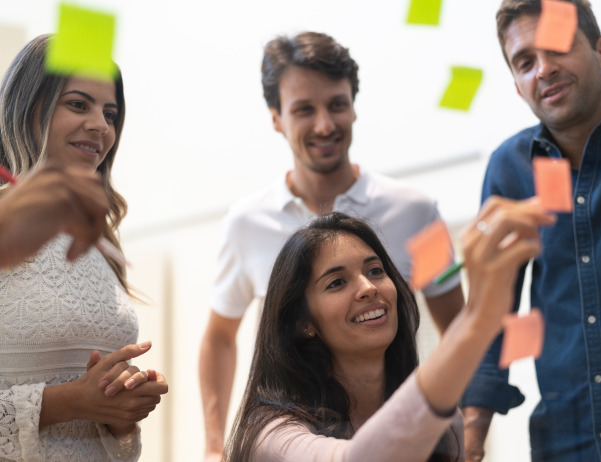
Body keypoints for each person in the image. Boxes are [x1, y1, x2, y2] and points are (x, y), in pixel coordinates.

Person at [199, 31, 465, 460]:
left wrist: (465, 424)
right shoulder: (247, 223)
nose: (324, 124)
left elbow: (459, 329)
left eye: (337, 104)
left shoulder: (416, 212)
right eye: (304, 109)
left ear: (354, 108)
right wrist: (214, 446)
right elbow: (218, 338)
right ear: (276, 117)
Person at [461, 1, 601, 461]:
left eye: (558, 49)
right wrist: (469, 439)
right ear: (516, 85)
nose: (544, 70)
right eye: (525, 61)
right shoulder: (509, 168)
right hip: (566, 441)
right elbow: (493, 317)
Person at [225, 204, 554, 462]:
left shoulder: (446, 423)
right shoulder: (271, 435)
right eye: (337, 282)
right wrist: (477, 320)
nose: (368, 288)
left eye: (375, 271)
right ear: (303, 323)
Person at [0, 34, 168, 461]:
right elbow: (74, 401)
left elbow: (96, 419)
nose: (102, 126)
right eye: (78, 104)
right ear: (28, 107)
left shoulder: (101, 242)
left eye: (110, 113)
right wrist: (70, 401)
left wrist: (121, 408)